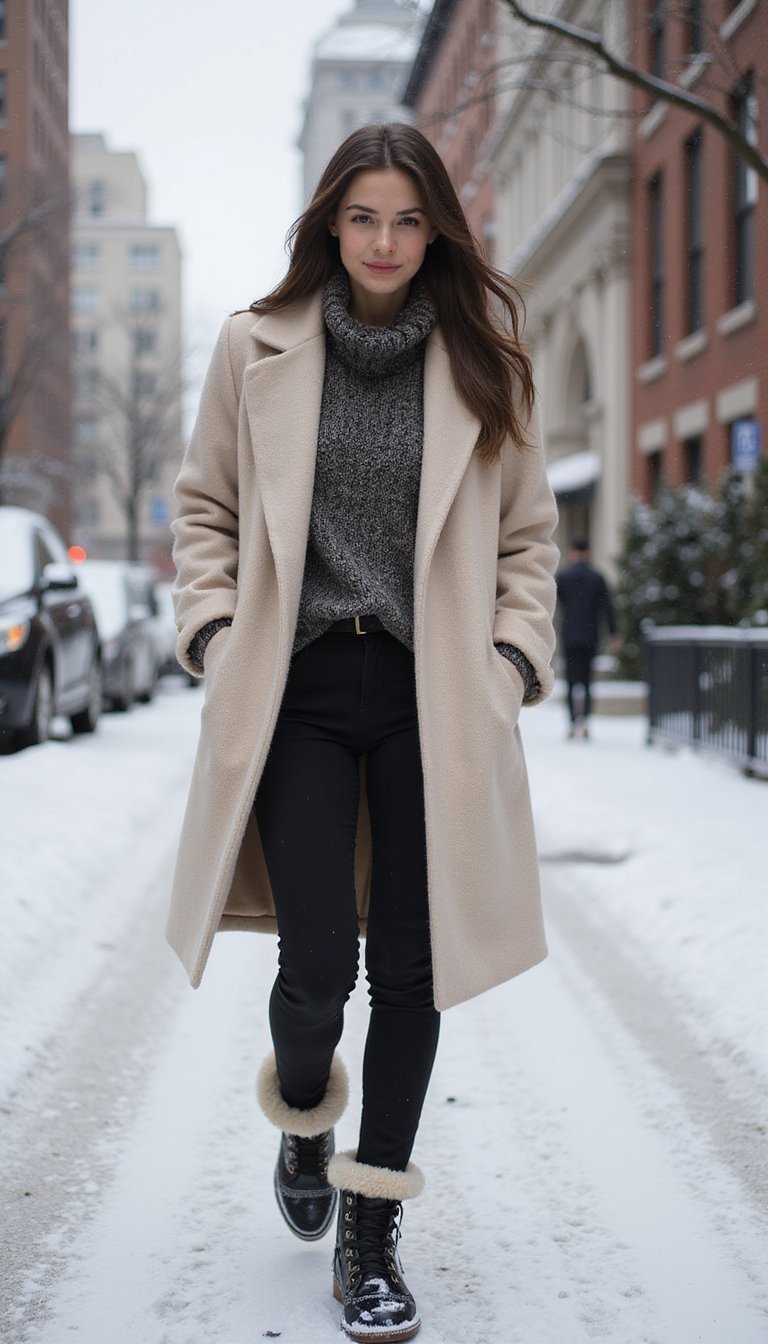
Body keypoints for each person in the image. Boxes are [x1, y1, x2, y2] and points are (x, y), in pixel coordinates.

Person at [168, 123, 558, 1343]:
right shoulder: (255, 347)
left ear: (434, 226)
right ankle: (303, 1113)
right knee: (316, 964)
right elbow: (205, 510)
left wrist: (507, 665)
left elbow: (530, 542)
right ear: (329, 226)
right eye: (362, 219)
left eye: (406, 220)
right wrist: (222, 637)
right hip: (292, 692)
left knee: (415, 966)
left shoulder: (487, 356)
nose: (385, 243)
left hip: (434, 695)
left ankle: (372, 1230)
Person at [555, 538, 619, 738]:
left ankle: (573, 722)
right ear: (589, 552)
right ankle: (587, 722)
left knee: (572, 682)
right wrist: (614, 633)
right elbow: (607, 608)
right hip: (591, 636)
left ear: (572, 551)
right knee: (588, 680)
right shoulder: (597, 577)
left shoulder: (563, 576)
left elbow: (554, 604)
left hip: (569, 635)